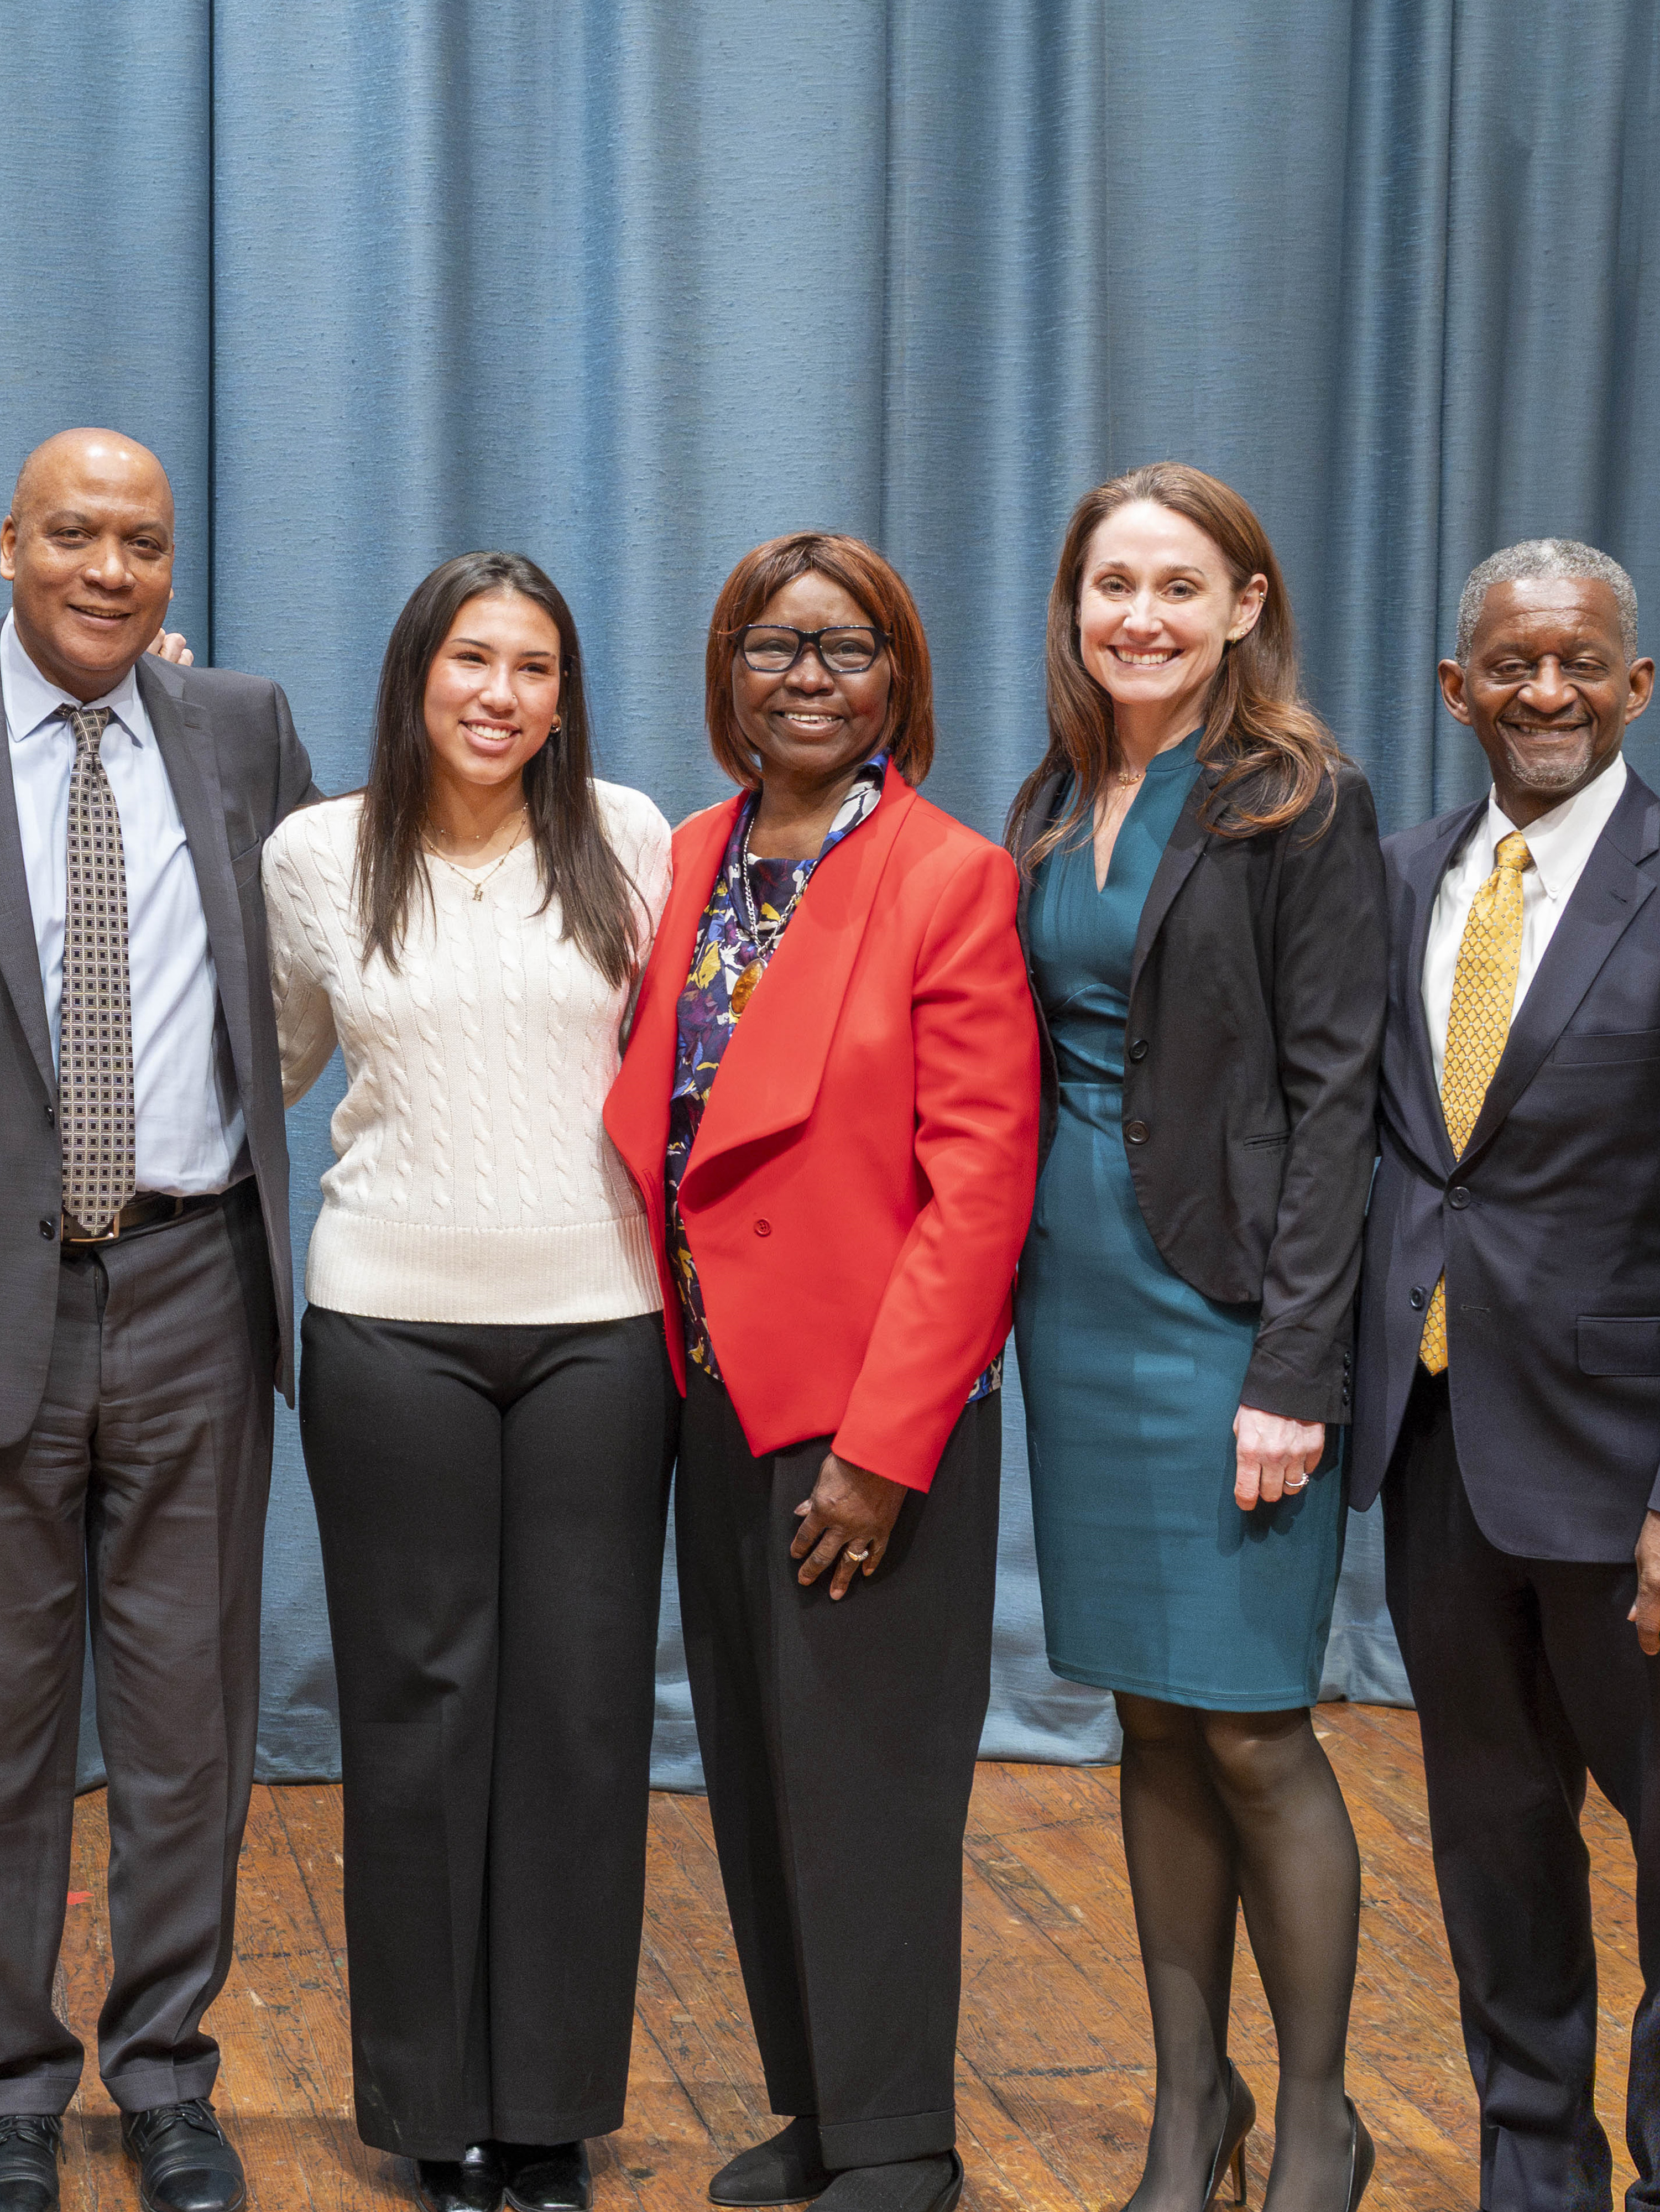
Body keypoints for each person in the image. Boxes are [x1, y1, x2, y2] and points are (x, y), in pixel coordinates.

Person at [0, 427, 317, 2212]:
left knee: (190, 1728)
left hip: (195, 1284)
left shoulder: (241, 731)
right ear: (5, 542)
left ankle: (166, 2072)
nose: (110, 569)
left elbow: (309, 969)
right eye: (75, 535)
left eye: (145, 542)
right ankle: (12, 2091)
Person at [1351, 541, 1660, 2212]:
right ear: (1454, 688)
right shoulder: (1396, 878)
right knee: (1494, 1845)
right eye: (1509, 663)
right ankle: (1533, 2165)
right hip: (1440, 1458)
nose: (1542, 691)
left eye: (1578, 664)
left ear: (1634, 687)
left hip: (1655, 1493)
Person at [601, 534, 1039, 2212]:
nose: (805, 676)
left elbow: (980, 1186)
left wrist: (884, 1448)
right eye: (772, 647)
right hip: (712, 1396)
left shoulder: (946, 875)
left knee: (868, 1787)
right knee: (758, 1770)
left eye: (844, 650)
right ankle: (818, 2106)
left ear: (899, 682)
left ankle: (899, 2141)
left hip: (868, 1417)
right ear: (726, 676)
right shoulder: (694, 854)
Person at [266, 552, 676, 2212]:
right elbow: (273, 1057)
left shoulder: (632, 840)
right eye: (472, 660)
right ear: (416, 673)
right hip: (388, 1328)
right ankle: (432, 2118)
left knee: (578, 1721)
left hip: (602, 1326)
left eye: (535, 668)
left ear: (565, 697)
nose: (501, 694)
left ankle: (550, 2115)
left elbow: (687, 1072)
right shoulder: (315, 852)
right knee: (421, 1719)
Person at [1003, 465, 1385, 2212]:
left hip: (1230, 1315)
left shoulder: (1296, 800)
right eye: (1108, 585)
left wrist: (1294, 1371)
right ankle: (1189, 2112)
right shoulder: (1049, 796)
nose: (1136, 616)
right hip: (1070, 1315)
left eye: (1176, 584)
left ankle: (1317, 2122)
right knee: (1147, 1725)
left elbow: (1337, 1104)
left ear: (1245, 605)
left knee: (1252, 1728)